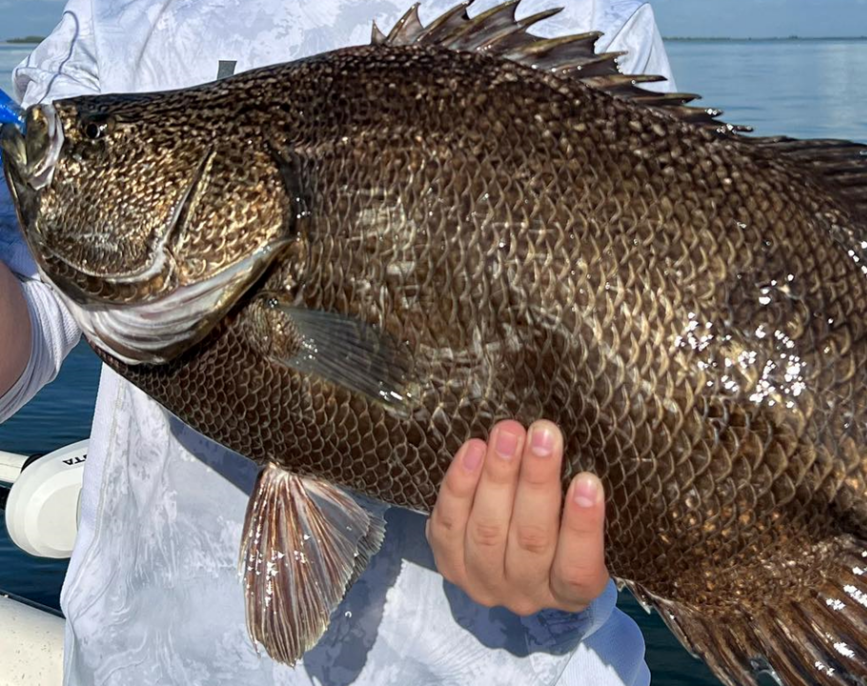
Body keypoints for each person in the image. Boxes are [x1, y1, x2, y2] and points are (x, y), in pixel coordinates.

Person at [0, 1, 675, 684]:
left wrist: (575, 555)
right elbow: (23, 313)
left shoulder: (585, 12)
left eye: (97, 139)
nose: (68, 146)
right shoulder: (122, 15)